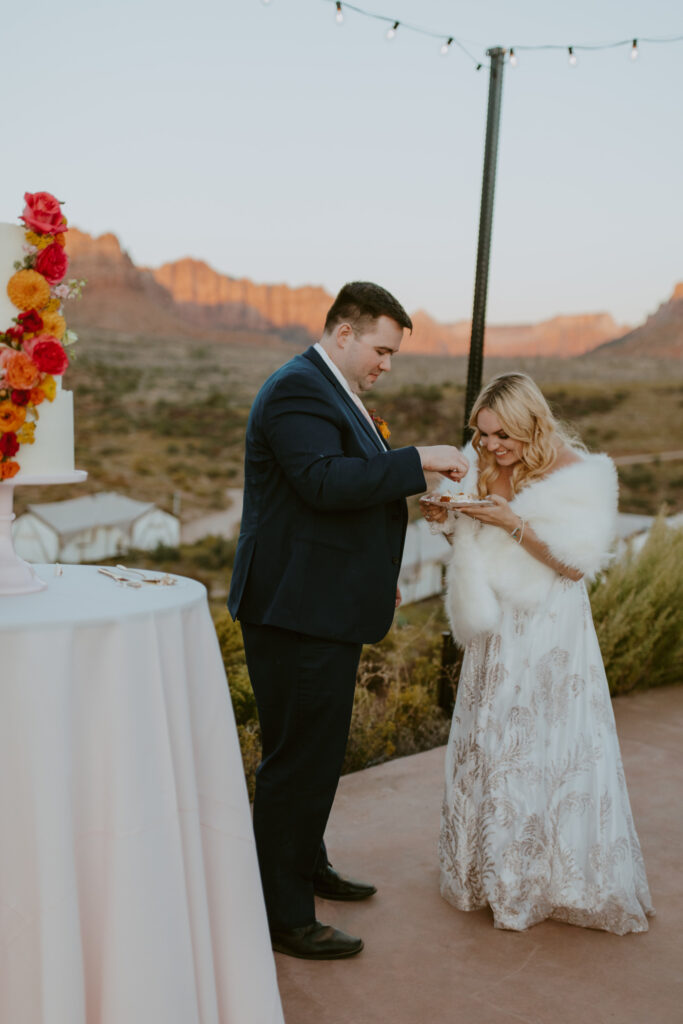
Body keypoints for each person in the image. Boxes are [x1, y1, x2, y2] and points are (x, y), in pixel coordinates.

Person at [228, 281, 468, 959]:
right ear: (343, 333)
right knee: (299, 760)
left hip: (318, 600)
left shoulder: (333, 391)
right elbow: (324, 483)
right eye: (382, 349)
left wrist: (375, 574)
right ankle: (284, 916)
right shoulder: (298, 389)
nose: (386, 364)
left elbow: (339, 501)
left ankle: (307, 864)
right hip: (295, 612)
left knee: (311, 752)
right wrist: (417, 460)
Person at [423, 372, 654, 935]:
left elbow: (576, 565)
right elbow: (476, 544)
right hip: (497, 627)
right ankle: (493, 870)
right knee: (494, 735)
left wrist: (516, 523)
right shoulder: (480, 465)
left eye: (503, 436)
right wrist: (448, 523)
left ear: (532, 425)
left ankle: (554, 879)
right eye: (483, 436)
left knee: (546, 741)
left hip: (549, 628)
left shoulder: (581, 474)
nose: (491, 447)